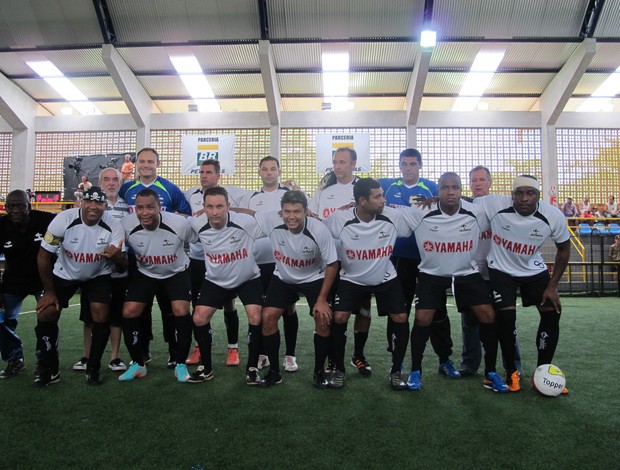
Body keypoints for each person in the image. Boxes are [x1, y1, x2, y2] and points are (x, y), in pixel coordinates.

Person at [405, 172, 509, 392]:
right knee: (423, 318)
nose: (450, 192)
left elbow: (506, 208)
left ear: (461, 190)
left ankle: (490, 373)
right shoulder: (420, 212)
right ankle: (416, 371)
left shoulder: (476, 211)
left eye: (455, 187)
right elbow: (392, 214)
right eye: (445, 187)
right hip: (431, 272)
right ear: (438, 191)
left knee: (489, 315)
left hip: (465, 272)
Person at [475, 174, 571, 394]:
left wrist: (552, 286)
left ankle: (543, 373)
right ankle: (511, 373)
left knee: (552, 312)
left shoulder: (552, 215)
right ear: (512, 195)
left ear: (538, 195)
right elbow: (462, 200)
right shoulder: (495, 203)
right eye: (519, 193)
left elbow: (564, 249)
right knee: (506, 318)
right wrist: (435, 199)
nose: (524, 198)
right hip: (501, 270)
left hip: (533, 269)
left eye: (530, 193)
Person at [323, 178, 412, 390]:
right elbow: (321, 232)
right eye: (378, 196)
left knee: (401, 317)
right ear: (362, 201)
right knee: (339, 316)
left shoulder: (393, 216)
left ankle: (396, 370)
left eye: (383, 195)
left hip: (385, 277)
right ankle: (338, 368)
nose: (383, 200)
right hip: (351, 278)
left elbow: (416, 222)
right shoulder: (339, 219)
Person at [379, 148, 458, 378]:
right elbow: (363, 188)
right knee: (398, 310)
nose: (408, 168)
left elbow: (450, 205)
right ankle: (398, 360)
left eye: (412, 164)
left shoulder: (433, 188)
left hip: (428, 259)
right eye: (404, 163)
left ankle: (445, 359)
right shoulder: (389, 187)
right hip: (399, 258)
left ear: (420, 165)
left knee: (437, 310)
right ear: (400, 165)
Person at [35, 186, 126, 386]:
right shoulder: (63, 220)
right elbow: (43, 257)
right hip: (65, 273)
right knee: (46, 312)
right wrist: (49, 292)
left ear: (105, 206)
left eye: (99, 203)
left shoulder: (114, 226)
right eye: (89, 201)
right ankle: (48, 368)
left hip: (97, 274)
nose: (93, 206)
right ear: (81, 202)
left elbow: (122, 265)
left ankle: (93, 368)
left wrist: (117, 256)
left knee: (101, 314)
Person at [254, 190, 338, 387]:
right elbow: (248, 215)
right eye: (287, 211)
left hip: (313, 278)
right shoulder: (271, 221)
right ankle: (274, 372)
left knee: (323, 319)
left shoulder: (318, 230)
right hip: (283, 277)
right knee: (267, 317)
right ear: (280, 212)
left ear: (306, 211)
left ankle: (319, 371)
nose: (292, 216)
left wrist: (322, 299)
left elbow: (332, 264)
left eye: (297, 212)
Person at [119, 147, 192, 368]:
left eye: (150, 161)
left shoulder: (169, 188)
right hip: (138, 257)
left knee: (170, 309)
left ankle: (174, 351)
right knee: (140, 310)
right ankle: (143, 351)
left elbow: (186, 215)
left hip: (168, 258)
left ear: (157, 164)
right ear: (136, 164)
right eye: (142, 161)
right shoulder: (127, 189)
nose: (146, 165)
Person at [187, 187, 264, 385]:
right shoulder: (196, 224)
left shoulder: (245, 222)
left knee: (256, 317)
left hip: (248, 278)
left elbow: (274, 219)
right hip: (216, 280)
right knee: (199, 317)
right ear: (203, 208)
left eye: (220, 206)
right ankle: (206, 367)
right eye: (209, 207)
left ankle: (253, 368)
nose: (215, 212)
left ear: (228, 206)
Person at [309, 147, 373, 377]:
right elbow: (316, 221)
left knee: (364, 311)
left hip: (359, 261)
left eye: (343, 162)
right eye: (335, 162)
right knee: (336, 314)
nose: (337, 166)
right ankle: (333, 360)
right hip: (331, 261)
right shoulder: (325, 191)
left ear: (354, 163)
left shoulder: (363, 190)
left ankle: (358, 354)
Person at [459, 166, 522, 378]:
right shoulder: (463, 205)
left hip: (499, 273)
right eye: (473, 180)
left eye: (482, 179)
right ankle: (469, 365)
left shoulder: (502, 203)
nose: (477, 183)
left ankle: (513, 365)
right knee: (470, 323)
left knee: (506, 322)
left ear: (490, 182)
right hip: (471, 273)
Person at [244, 156, 300, 373]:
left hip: (283, 262)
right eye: (265, 169)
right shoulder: (252, 198)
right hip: (258, 263)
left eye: (273, 169)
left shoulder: (287, 195)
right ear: (259, 172)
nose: (269, 172)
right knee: (261, 312)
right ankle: (263, 355)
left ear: (279, 172)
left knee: (288, 309)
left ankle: (290, 355)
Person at [184, 159, 243, 368]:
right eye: (201, 172)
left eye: (208, 172)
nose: (204, 176)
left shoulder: (228, 196)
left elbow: (243, 212)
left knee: (229, 303)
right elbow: (183, 218)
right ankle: (200, 347)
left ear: (218, 175)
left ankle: (233, 348)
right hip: (199, 258)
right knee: (198, 306)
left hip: (224, 260)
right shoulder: (190, 194)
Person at [73, 167, 130, 373]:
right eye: (107, 179)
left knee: (116, 315)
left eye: (115, 179)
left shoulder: (128, 207)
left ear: (120, 183)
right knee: (90, 316)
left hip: (119, 269)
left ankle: (114, 357)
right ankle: (86, 356)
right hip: (94, 272)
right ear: (100, 182)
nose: (112, 183)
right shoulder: (88, 206)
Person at [0, 190, 55, 379]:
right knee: (2, 320)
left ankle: (44, 361)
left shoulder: (45, 220)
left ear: (29, 207)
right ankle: (15, 359)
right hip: (13, 282)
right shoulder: (1, 226)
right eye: (11, 206)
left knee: (47, 318)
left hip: (43, 281)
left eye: (20, 206)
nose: (15, 210)